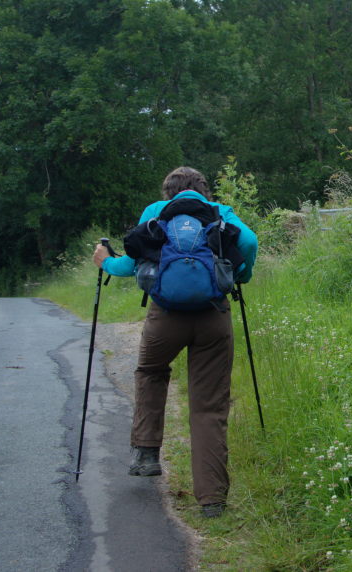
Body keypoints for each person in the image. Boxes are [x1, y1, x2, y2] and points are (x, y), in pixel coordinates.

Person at [92, 166, 258, 519]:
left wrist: (105, 262)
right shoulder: (220, 214)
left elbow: (132, 264)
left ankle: (146, 453)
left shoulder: (156, 213)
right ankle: (212, 501)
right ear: (204, 191)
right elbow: (250, 242)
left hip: (164, 316)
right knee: (209, 406)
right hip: (214, 315)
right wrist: (238, 274)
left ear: (169, 192)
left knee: (151, 371)